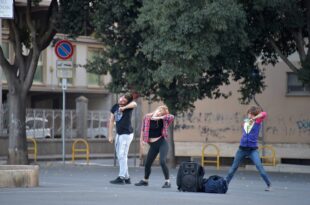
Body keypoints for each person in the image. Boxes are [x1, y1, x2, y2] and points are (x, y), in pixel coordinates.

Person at [225, 106, 272, 191]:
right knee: (233, 168)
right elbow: (246, 131)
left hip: (252, 150)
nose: (249, 115)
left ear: (254, 115)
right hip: (242, 149)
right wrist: (250, 120)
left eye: (251, 114)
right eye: (249, 113)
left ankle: (269, 185)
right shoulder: (246, 121)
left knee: (259, 166)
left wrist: (255, 118)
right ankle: (225, 184)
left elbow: (264, 114)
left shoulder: (258, 122)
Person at [135, 105, 174, 188]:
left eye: (161, 113)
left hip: (162, 143)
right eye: (159, 111)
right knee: (147, 163)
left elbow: (171, 117)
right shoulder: (147, 117)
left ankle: (167, 182)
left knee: (162, 161)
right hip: (152, 145)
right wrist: (141, 141)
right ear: (156, 109)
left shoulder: (163, 120)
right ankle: (145, 181)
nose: (159, 113)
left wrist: (160, 117)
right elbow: (142, 130)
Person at [108, 93, 137, 185]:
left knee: (122, 155)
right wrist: (110, 135)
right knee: (120, 156)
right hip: (119, 134)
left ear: (127, 102)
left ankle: (121, 177)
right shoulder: (115, 107)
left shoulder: (128, 107)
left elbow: (135, 104)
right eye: (122, 98)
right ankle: (127, 177)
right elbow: (111, 121)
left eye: (124, 100)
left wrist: (124, 108)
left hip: (126, 134)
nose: (122, 100)